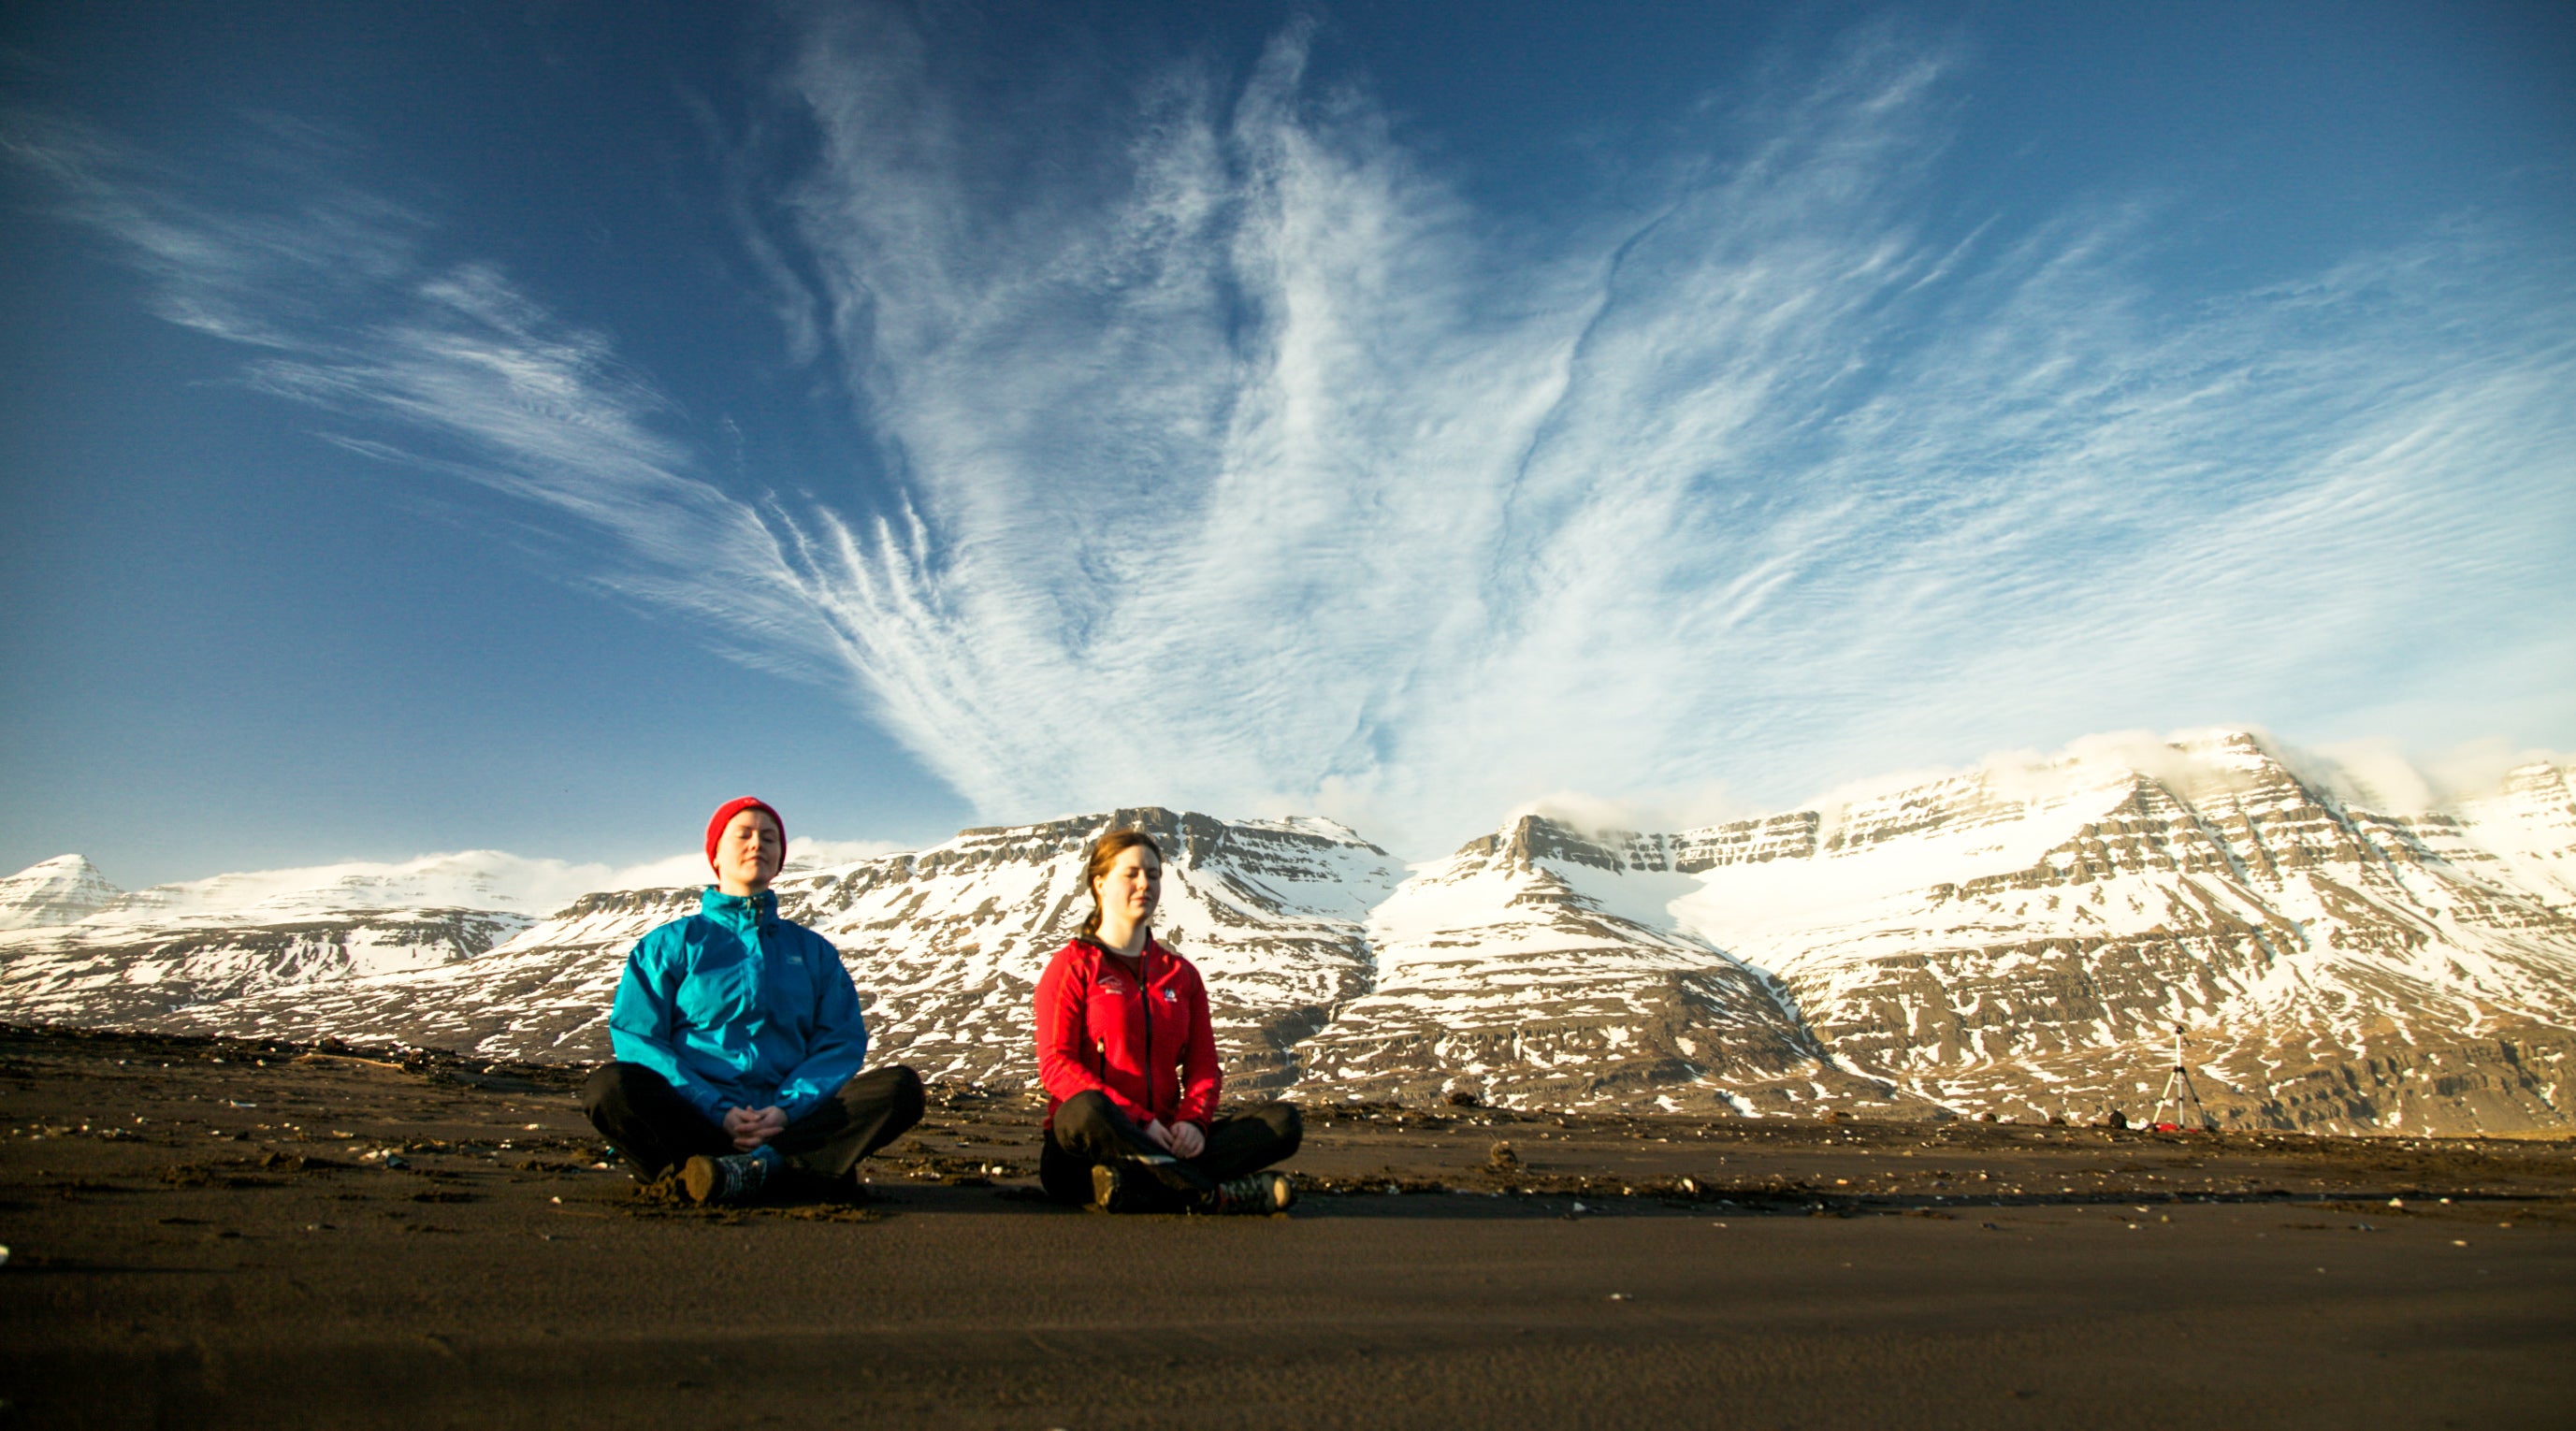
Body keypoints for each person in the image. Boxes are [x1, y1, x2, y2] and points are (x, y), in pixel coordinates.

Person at [582, 797, 922, 1205]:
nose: (756, 844)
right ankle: (783, 1172)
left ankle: (744, 1172)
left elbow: (840, 1042)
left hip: (787, 1125)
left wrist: (785, 1110)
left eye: (769, 837)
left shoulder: (813, 951)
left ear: (780, 858)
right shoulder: (668, 945)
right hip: (696, 1121)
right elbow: (639, 1040)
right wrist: (716, 1109)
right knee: (610, 1087)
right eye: (743, 834)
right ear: (716, 854)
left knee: (901, 1089)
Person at [1034, 829, 1300, 1214]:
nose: (1145, 884)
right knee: (1086, 1108)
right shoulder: (1072, 967)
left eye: (1154, 874)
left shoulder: (1180, 975)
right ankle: (1211, 1194)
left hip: (1166, 1137)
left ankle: (1134, 1186)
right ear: (1100, 883)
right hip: (1090, 1145)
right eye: (1132, 873)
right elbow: (1056, 1065)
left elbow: (1203, 1065)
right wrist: (1137, 1122)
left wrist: (1193, 1123)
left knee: (1282, 1122)